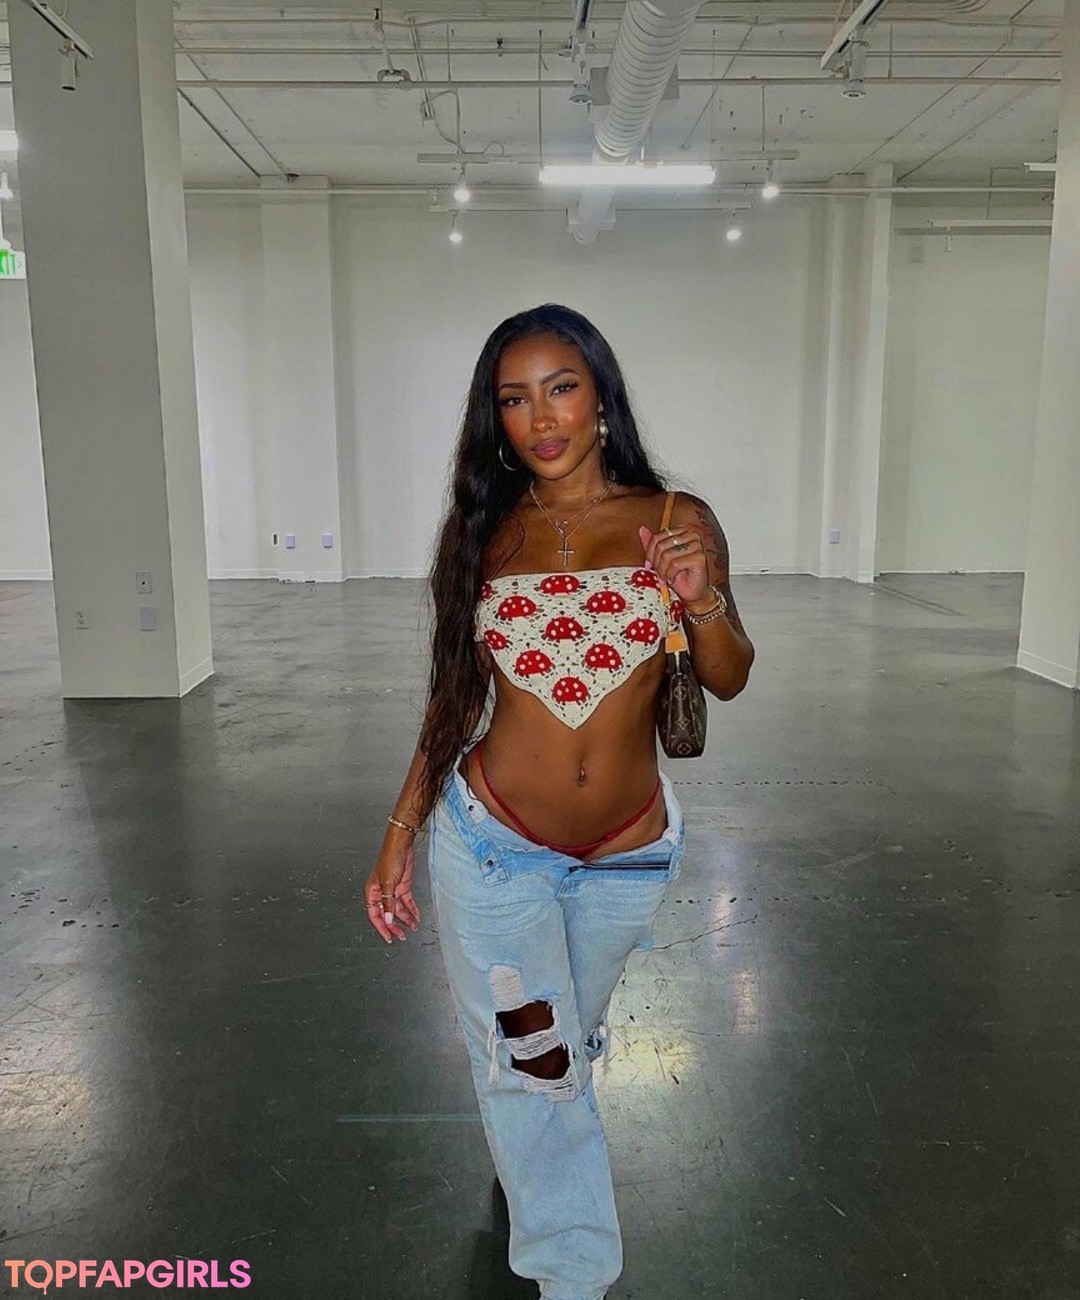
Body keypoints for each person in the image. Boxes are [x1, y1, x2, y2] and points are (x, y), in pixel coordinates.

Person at [364, 303, 755, 1300]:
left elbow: (729, 674)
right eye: (514, 399)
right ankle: (572, 1273)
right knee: (535, 1057)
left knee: (557, 1040)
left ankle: (531, 1139)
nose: (540, 418)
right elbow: (454, 698)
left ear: (600, 399)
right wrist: (401, 830)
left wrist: (700, 594)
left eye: (561, 389)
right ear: (495, 418)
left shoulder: (674, 517)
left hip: (628, 856)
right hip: (495, 846)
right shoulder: (487, 531)